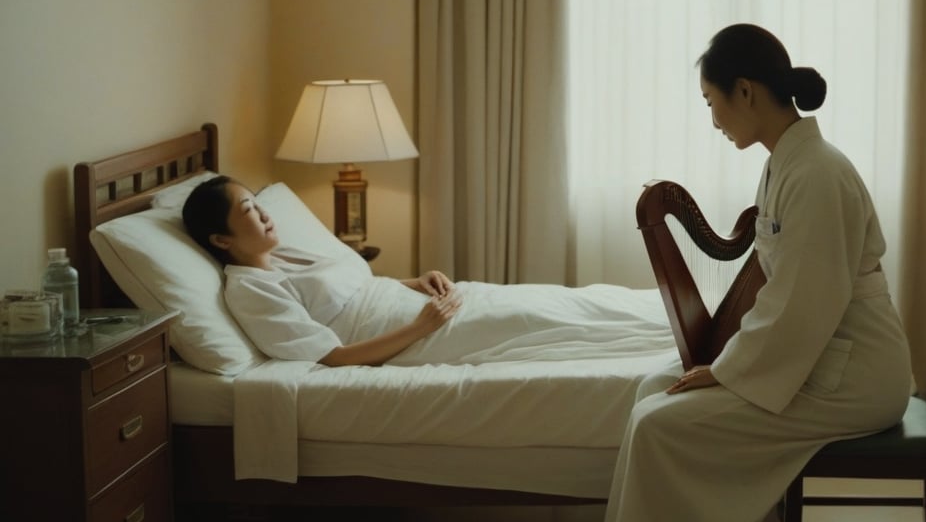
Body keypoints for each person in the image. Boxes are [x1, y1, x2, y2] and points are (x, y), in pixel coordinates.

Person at [601, 24, 913, 522]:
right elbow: (788, 296)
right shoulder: (786, 164)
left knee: (660, 426)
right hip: (818, 358)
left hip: (854, 378)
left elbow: (803, 305)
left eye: (710, 101)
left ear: (744, 91)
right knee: (651, 392)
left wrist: (725, 370)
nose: (713, 119)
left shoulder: (817, 174)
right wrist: (726, 368)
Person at [181, 175, 674, 367]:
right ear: (222, 240)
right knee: (538, 326)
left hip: (424, 309)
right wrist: (419, 325)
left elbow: (353, 288)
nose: (265, 214)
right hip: (413, 334)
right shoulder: (251, 291)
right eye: (248, 210)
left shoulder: (281, 256)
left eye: (257, 203)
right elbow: (331, 358)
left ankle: (679, 326)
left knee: (562, 302)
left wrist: (412, 283)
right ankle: (677, 345)